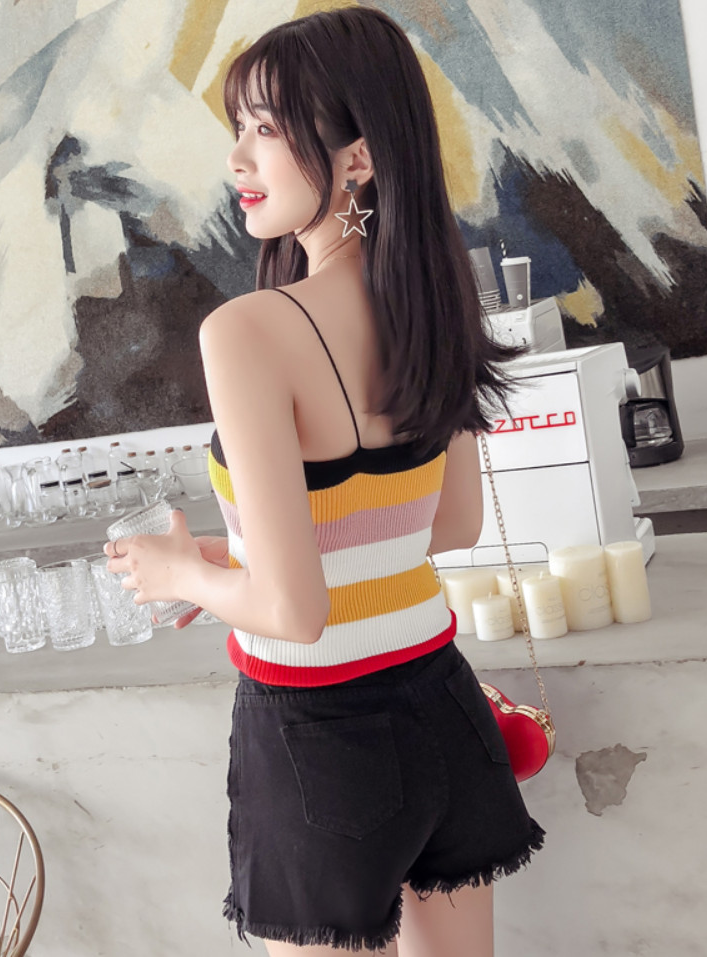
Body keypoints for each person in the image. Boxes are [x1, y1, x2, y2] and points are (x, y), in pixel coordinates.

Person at [105, 7, 544, 954]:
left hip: (320, 743)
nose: (238, 158)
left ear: (358, 158)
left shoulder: (247, 330)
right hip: (442, 710)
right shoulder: (434, 305)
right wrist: (249, 551)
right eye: (240, 127)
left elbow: (294, 612)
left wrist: (181, 573)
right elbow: (445, 523)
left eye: (266, 128)